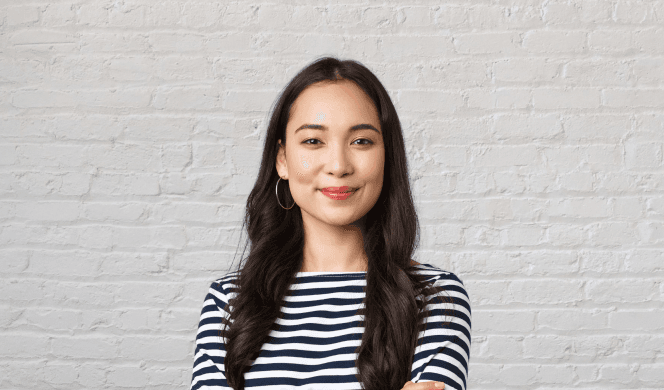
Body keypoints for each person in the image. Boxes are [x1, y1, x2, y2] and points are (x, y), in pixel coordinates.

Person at [190, 57, 471, 390]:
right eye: (313, 141)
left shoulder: (435, 297)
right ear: (282, 159)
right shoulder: (228, 301)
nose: (338, 165)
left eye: (361, 141)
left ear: (386, 156)